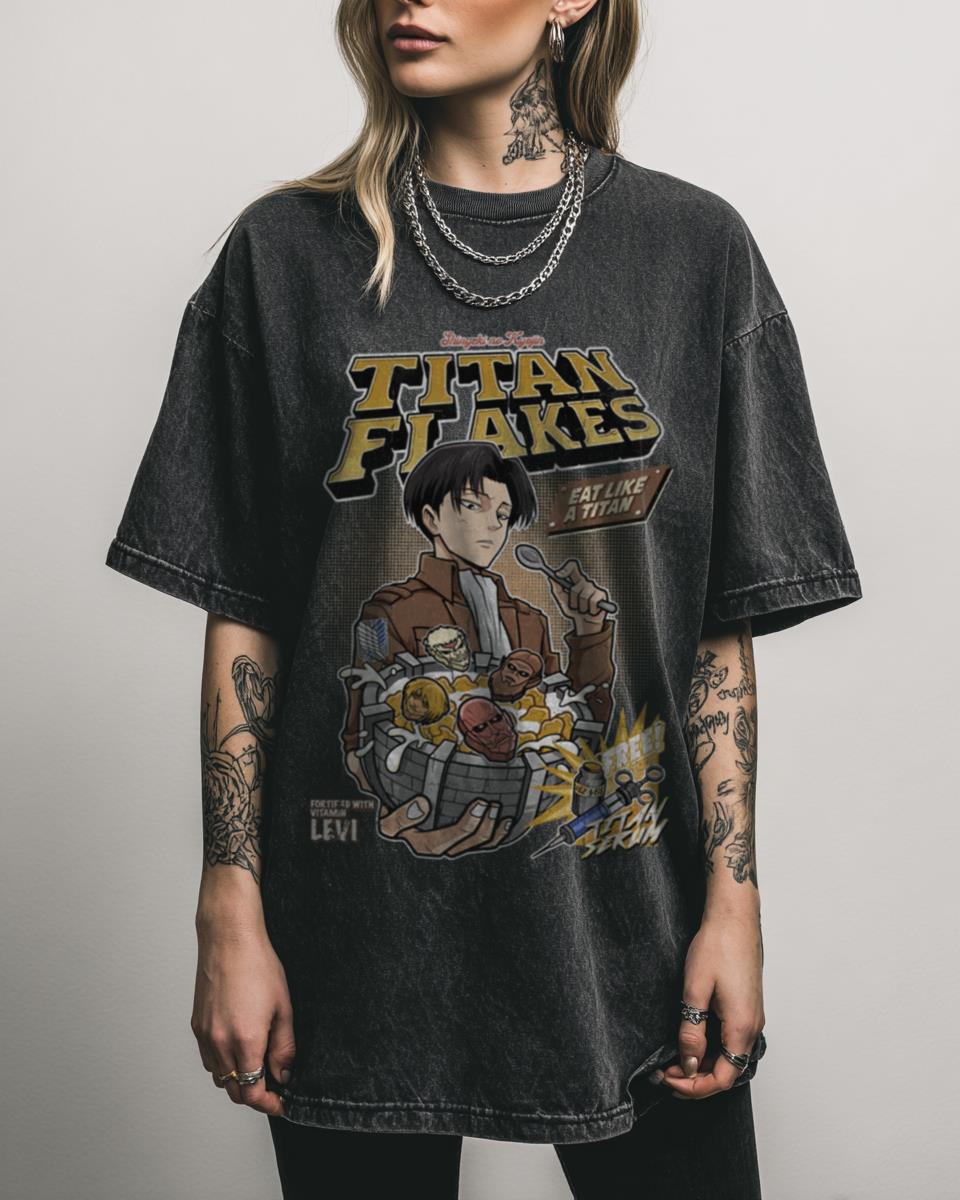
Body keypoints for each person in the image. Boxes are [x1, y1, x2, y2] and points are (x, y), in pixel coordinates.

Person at [104, 0, 863, 1195]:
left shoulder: (693, 252)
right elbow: (245, 613)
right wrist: (229, 906)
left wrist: (735, 902)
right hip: (354, 942)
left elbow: (717, 635)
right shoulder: (285, 255)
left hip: (632, 928)